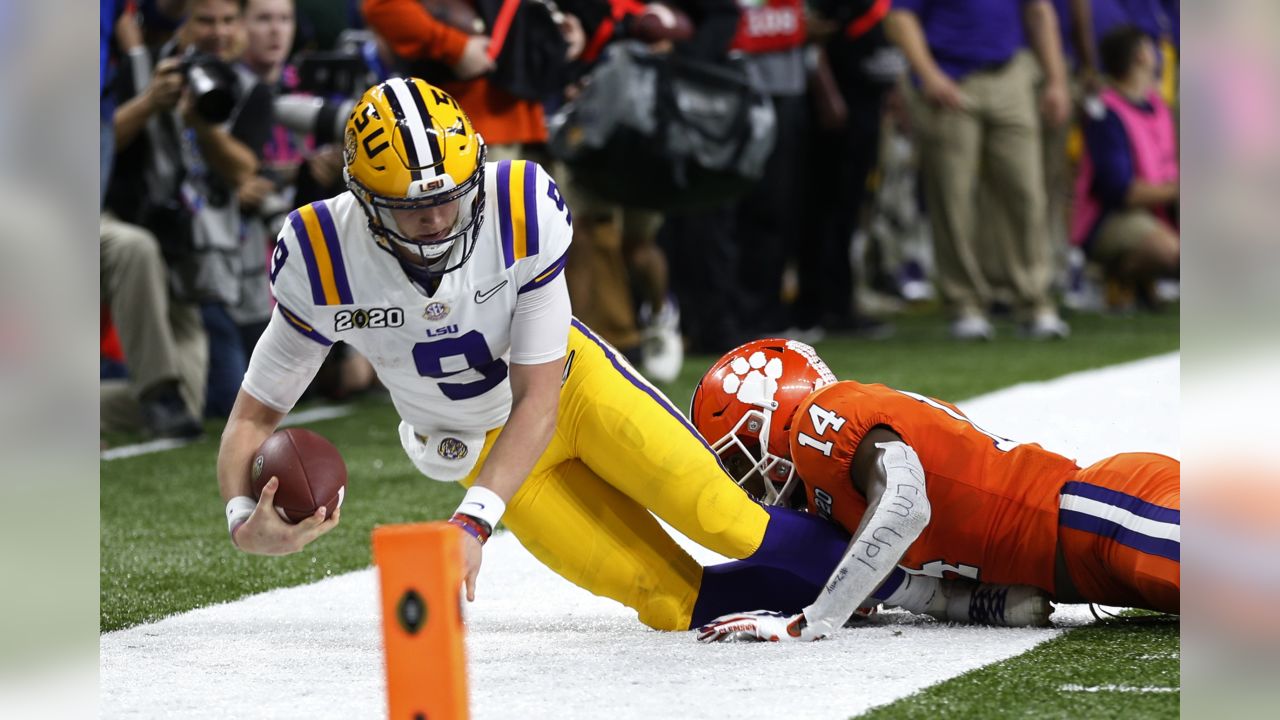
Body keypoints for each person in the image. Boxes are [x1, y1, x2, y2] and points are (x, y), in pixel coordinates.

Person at [215, 77, 934, 633]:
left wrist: (470, 524)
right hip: (474, 442)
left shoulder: (520, 205)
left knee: (727, 519)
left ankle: (924, 586)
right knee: (666, 601)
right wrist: (243, 516)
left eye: (449, 199)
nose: (435, 220)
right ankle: (846, 589)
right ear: (362, 200)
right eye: (410, 208)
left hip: (572, 390)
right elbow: (252, 417)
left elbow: (539, 398)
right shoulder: (319, 255)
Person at [691, 338, 1179, 641]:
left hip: (1098, 515)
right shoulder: (836, 504)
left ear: (769, 420)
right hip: (1090, 558)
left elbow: (904, 507)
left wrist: (814, 621)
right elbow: (932, 588)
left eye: (737, 460)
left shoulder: (820, 422)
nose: (745, 483)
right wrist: (980, 604)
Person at [886, 0, 1072, 340]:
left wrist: (1057, 80)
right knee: (953, 197)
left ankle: (1034, 300)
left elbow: (1039, 11)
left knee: (1026, 192)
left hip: (1010, 71)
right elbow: (900, 16)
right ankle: (965, 304)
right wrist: (927, 74)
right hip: (950, 76)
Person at [1071, 25, 1178, 306]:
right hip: (1111, 217)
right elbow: (1120, 191)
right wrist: (1178, 191)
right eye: (1150, 46)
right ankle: (1112, 275)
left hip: (1160, 207)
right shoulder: (1106, 112)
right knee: (1174, 254)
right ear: (1141, 56)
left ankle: (1146, 285)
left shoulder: (1158, 105)